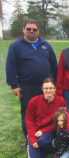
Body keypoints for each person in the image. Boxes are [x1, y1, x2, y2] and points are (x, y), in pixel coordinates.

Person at [6, 19, 57, 147]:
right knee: (28, 111)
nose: (31, 32)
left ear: (38, 31)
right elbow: (10, 66)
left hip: (46, 86)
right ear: (23, 29)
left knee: (48, 110)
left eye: (34, 29)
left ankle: (48, 134)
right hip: (27, 85)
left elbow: (53, 65)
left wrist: (55, 83)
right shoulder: (16, 46)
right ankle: (27, 137)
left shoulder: (45, 45)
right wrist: (14, 85)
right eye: (28, 29)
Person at [26, 78, 66, 158]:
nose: (48, 91)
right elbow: (29, 121)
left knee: (42, 141)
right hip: (35, 131)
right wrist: (33, 140)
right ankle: (48, 148)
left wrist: (43, 130)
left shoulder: (61, 101)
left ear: (55, 89)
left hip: (51, 130)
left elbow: (61, 122)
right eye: (46, 88)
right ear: (42, 89)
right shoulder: (33, 101)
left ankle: (50, 145)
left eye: (51, 88)